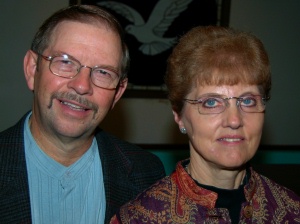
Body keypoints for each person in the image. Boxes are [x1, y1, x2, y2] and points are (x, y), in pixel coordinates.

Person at [110, 26, 300, 223]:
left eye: (248, 101)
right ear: (179, 115)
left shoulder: (291, 210)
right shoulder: (138, 218)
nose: (234, 120)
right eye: (211, 102)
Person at [0, 5, 165, 224]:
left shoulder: (147, 175)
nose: (81, 86)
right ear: (32, 69)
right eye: (66, 62)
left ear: (117, 93)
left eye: (103, 72)